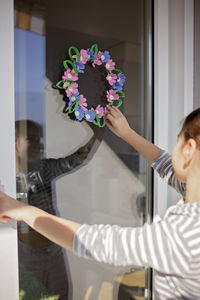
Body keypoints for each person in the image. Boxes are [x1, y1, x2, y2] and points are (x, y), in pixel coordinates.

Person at [1, 106, 200, 299]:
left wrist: (23, 211)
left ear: (188, 150)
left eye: (177, 141)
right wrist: (127, 133)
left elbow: (99, 243)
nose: (40, 144)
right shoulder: (192, 193)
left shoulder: (184, 234)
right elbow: (164, 163)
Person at [15, 119, 102, 300]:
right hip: (25, 254)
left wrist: (100, 135)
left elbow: (76, 160)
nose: (39, 145)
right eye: (31, 139)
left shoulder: (43, 169)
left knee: (62, 295)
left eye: (40, 139)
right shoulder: (6, 179)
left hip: (53, 250)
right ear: (14, 143)